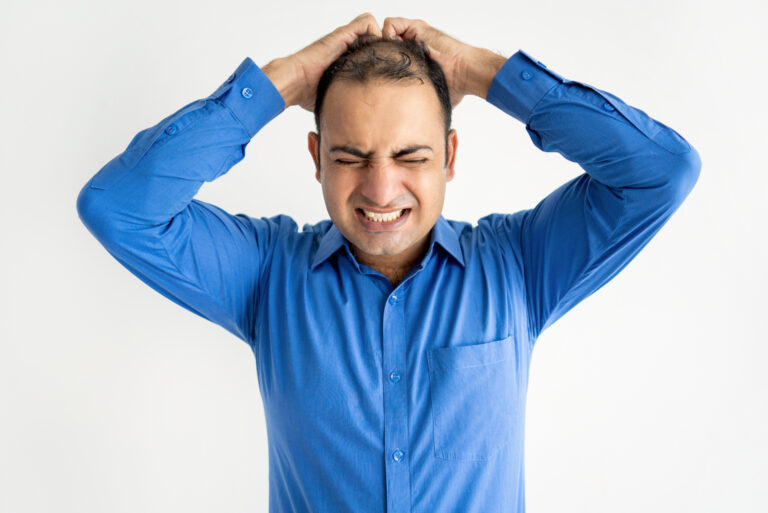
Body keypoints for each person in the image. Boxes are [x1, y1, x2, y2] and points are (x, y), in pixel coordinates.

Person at [76, 12, 701, 513]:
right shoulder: (266, 274)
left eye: (411, 156)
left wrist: (484, 73)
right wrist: (280, 83)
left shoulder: (520, 265)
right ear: (316, 157)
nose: (380, 190)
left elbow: (661, 173)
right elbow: (118, 208)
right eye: (351, 157)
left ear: (450, 157)